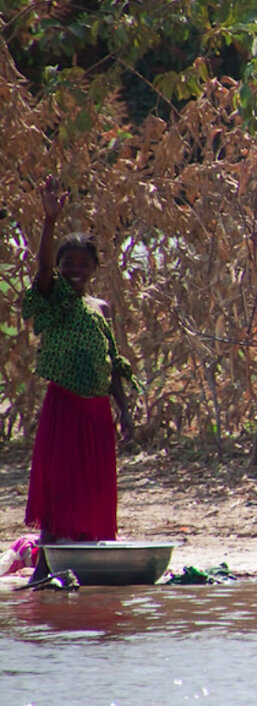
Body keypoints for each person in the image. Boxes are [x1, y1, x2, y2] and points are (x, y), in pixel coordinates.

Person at [22, 176, 135, 583]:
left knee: (93, 490)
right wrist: (50, 221)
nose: (74, 269)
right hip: (65, 407)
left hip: (96, 412)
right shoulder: (55, 298)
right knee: (59, 488)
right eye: (68, 262)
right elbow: (42, 267)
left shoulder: (100, 307)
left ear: (93, 269)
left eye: (81, 263)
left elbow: (113, 360)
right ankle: (45, 568)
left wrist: (124, 410)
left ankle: (90, 570)